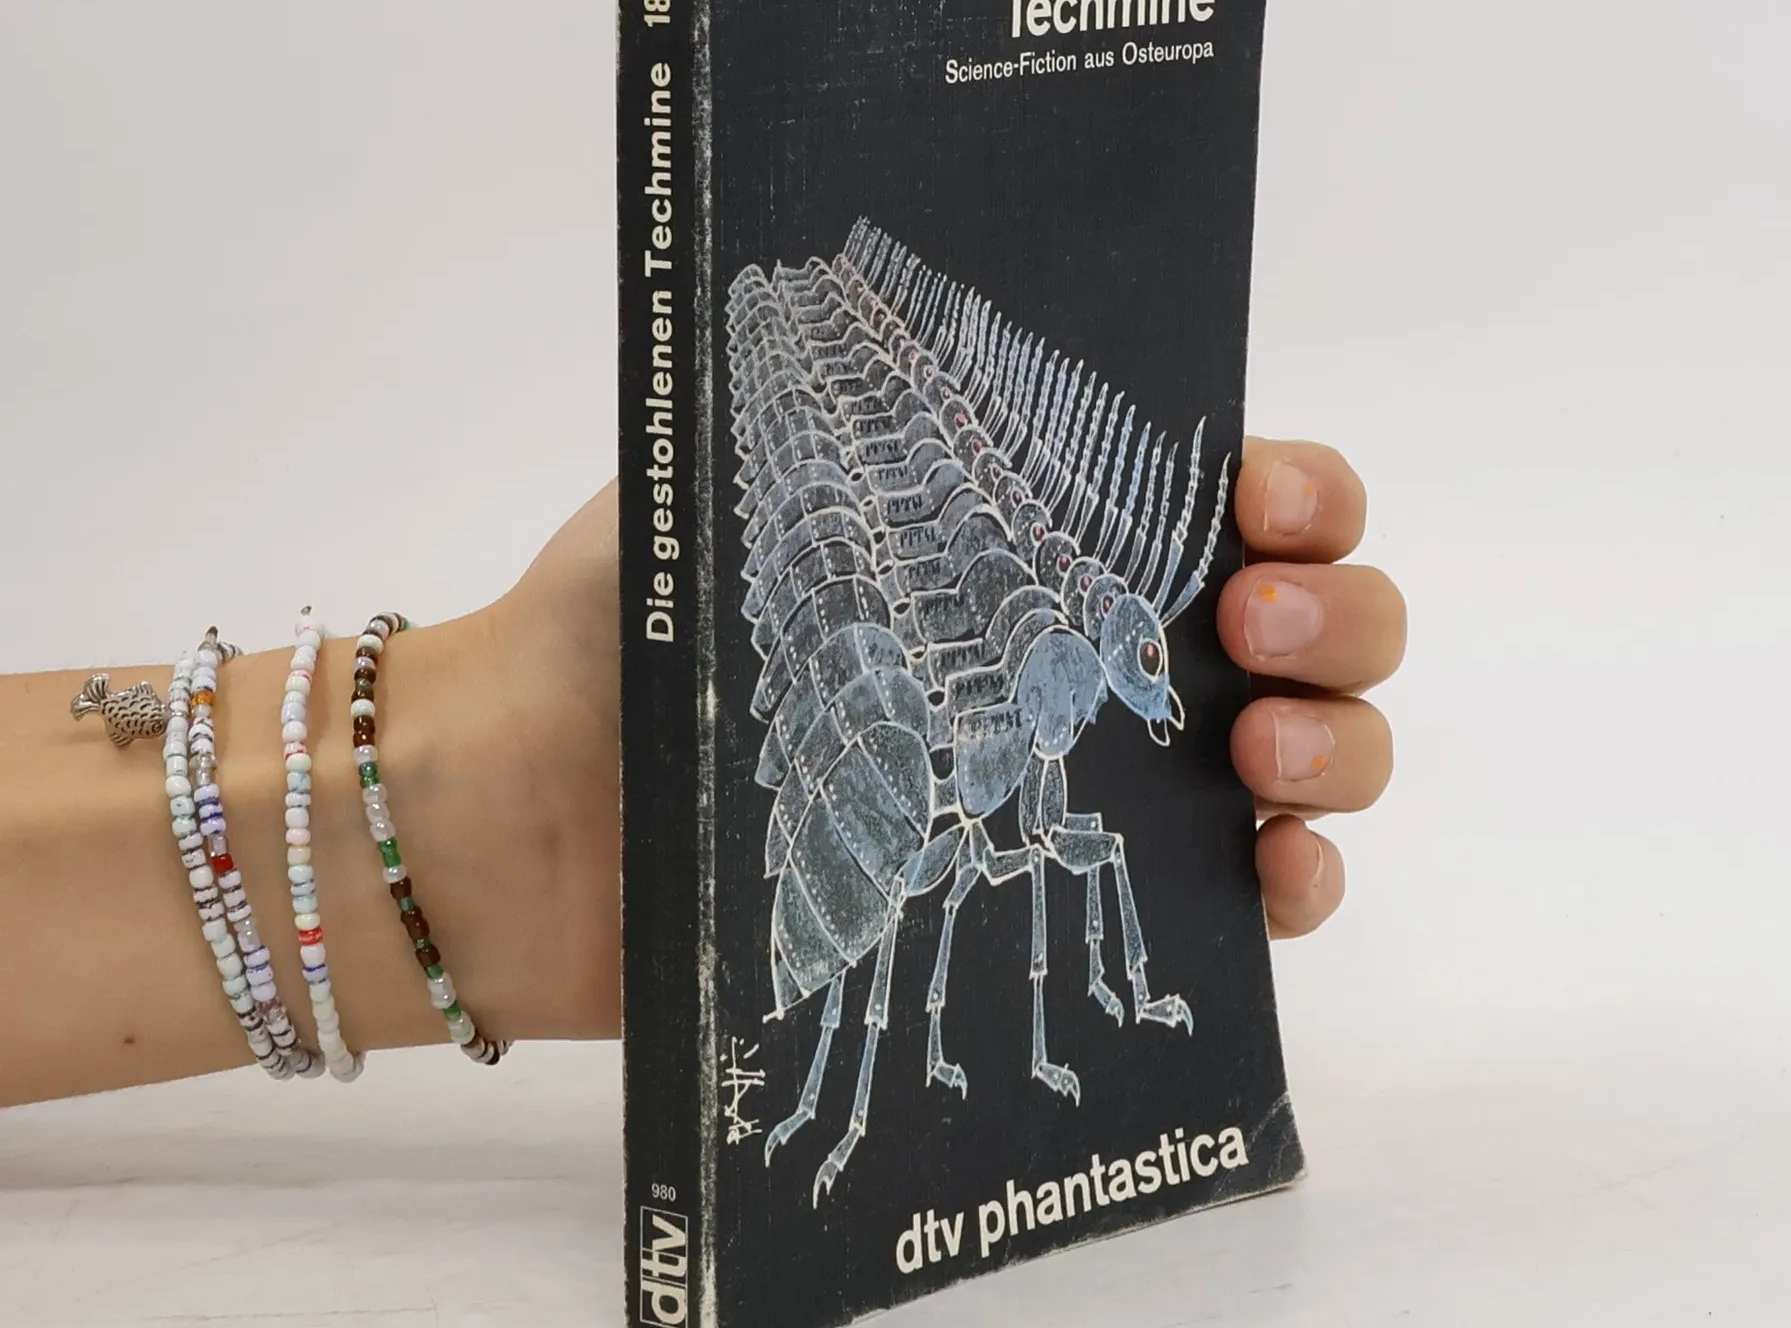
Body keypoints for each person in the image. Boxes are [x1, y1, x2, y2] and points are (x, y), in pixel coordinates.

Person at [0, 440, 1403, 1108]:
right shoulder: (1002, 716)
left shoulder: (1022, 700)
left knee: (1008, 852)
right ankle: (918, 1061)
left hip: (863, 778)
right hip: (873, 800)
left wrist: (500, 785)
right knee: (994, 859)